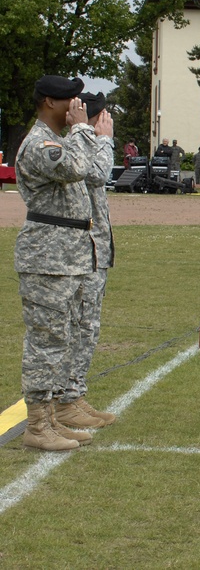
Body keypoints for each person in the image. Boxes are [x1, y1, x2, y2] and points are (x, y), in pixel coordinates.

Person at [15, 75, 105, 451]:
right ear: (50, 102)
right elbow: (76, 168)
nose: (78, 106)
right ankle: (37, 425)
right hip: (47, 257)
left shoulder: (58, 142)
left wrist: (80, 132)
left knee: (61, 338)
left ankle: (52, 417)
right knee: (45, 342)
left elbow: (83, 168)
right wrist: (85, 130)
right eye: (71, 100)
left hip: (65, 255)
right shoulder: (39, 144)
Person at [68, 92, 118, 427]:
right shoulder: (81, 144)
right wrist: (104, 140)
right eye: (102, 117)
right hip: (81, 251)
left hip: (96, 248)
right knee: (79, 326)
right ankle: (67, 398)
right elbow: (97, 175)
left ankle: (75, 394)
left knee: (88, 328)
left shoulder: (87, 143)